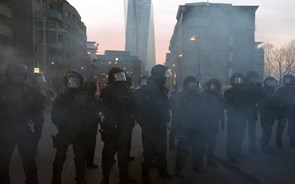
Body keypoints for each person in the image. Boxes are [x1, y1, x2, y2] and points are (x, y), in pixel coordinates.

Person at [0, 63, 44, 184]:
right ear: (10, 75)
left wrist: (36, 136)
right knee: (2, 163)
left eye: (20, 75)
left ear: (24, 75)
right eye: (15, 75)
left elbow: (38, 114)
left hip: (23, 128)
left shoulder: (31, 90)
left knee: (29, 161)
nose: (17, 77)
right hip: (5, 129)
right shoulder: (2, 89)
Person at [51, 71, 90, 184]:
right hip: (65, 130)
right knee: (60, 156)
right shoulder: (61, 97)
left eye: (75, 81)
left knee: (80, 157)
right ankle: (56, 179)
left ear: (80, 82)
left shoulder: (84, 97)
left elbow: (91, 113)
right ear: (66, 83)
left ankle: (80, 178)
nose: (73, 83)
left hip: (80, 131)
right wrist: (64, 123)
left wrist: (85, 125)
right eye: (70, 81)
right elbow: (54, 115)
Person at [99, 67, 137, 184]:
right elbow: (102, 109)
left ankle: (123, 176)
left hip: (124, 127)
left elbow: (134, 107)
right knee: (108, 155)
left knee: (123, 155)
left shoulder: (127, 91)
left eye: (121, 76)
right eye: (117, 76)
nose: (120, 79)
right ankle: (105, 178)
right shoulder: (106, 92)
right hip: (111, 128)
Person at [138, 64, 174, 183]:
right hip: (150, 125)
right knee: (148, 151)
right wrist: (146, 123)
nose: (166, 77)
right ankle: (145, 174)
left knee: (162, 150)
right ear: (159, 75)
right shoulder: (149, 88)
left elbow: (164, 105)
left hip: (160, 124)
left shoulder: (161, 88)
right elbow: (143, 109)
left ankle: (162, 171)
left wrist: (166, 115)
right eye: (164, 74)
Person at [174, 76, 205, 178]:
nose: (193, 86)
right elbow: (176, 112)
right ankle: (178, 170)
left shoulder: (200, 96)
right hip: (184, 128)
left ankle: (198, 166)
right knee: (182, 151)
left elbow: (203, 111)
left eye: (194, 84)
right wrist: (179, 126)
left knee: (198, 149)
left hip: (197, 127)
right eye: (190, 84)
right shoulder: (180, 96)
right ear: (186, 85)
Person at [202, 79, 225, 167]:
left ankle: (210, 160)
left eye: (215, 86)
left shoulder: (219, 97)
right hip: (204, 122)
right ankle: (199, 161)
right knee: (203, 142)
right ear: (208, 85)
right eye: (212, 85)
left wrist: (222, 122)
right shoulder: (203, 96)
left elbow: (221, 110)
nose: (213, 87)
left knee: (212, 143)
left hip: (214, 122)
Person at [224, 72, 247, 163]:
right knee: (232, 137)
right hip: (233, 117)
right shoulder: (228, 92)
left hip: (241, 117)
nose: (238, 82)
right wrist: (233, 109)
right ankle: (231, 154)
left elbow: (246, 104)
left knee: (240, 135)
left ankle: (238, 151)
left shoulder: (244, 92)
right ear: (232, 81)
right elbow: (225, 105)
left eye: (240, 80)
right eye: (236, 80)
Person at [83, 81, 100, 169]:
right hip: (86, 125)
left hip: (91, 125)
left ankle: (88, 163)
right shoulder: (86, 98)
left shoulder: (93, 98)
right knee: (87, 145)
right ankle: (88, 163)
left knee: (88, 145)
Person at [257, 77, 277, 152]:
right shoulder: (263, 92)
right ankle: (264, 146)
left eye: (273, 82)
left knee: (268, 131)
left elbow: (274, 103)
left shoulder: (272, 93)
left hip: (270, 115)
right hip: (266, 115)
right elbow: (261, 105)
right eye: (270, 82)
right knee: (266, 131)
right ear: (266, 83)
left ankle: (265, 144)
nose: (271, 84)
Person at [275, 74, 295, 148]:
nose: (287, 81)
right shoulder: (281, 89)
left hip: (292, 111)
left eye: (289, 79)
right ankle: (278, 142)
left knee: (292, 126)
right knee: (281, 126)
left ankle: (293, 142)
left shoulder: (293, 89)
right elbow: (277, 98)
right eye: (286, 79)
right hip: (283, 110)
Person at [244, 71, 260, 153]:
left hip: (247, 111)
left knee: (245, 130)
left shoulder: (245, 85)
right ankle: (252, 148)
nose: (256, 80)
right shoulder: (251, 86)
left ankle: (247, 147)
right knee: (250, 131)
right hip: (249, 111)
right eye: (255, 78)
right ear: (251, 78)